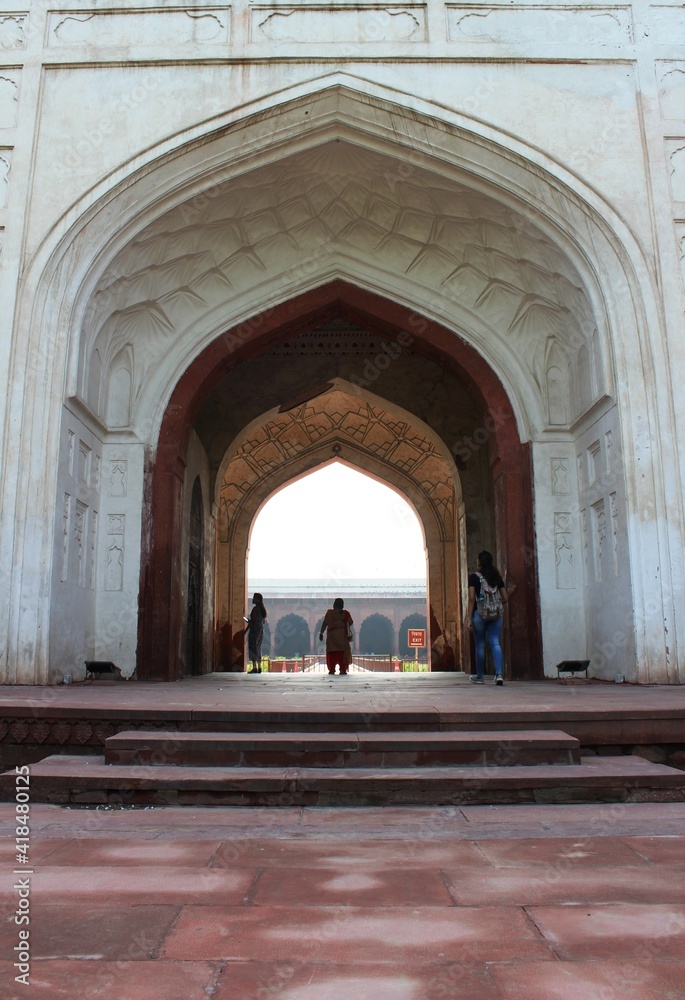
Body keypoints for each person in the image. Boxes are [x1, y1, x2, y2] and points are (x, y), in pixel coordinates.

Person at [465, 551, 510, 686]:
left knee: (480, 645)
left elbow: (472, 598)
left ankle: (480, 676)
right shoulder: (496, 577)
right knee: (495, 642)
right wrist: (496, 605)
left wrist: (469, 617)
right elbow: (506, 598)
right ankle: (499, 674)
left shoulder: (474, 577)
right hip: (496, 615)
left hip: (480, 614)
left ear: (479, 562)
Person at [318, 598, 353, 676]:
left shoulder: (329, 613)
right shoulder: (346, 613)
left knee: (332, 653)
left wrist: (321, 633)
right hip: (342, 636)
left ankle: (331, 669)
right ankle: (343, 669)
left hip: (332, 637)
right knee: (342, 653)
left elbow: (324, 623)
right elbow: (350, 622)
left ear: (335, 604)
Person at [246, 592, 267, 674]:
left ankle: (254, 667)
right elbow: (262, 622)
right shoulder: (262, 610)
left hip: (254, 631)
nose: (252, 599)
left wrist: (244, 632)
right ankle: (259, 667)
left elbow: (252, 622)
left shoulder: (255, 609)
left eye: (254, 598)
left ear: (257, 600)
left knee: (253, 648)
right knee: (258, 648)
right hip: (260, 631)